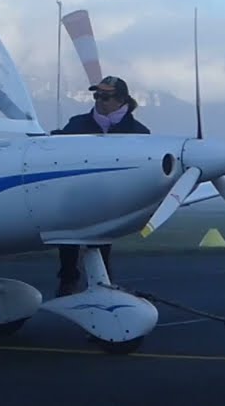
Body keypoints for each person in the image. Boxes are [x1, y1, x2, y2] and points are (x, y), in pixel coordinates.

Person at [50, 75, 150, 297]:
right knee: (68, 239)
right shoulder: (76, 125)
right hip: (75, 195)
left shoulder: (140, 133)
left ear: (122, 99)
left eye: (106, 96)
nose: (99, 100)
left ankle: (102, 285)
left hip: (112, 199)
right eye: (97, 95)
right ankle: (68, 279)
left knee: (103, 240)